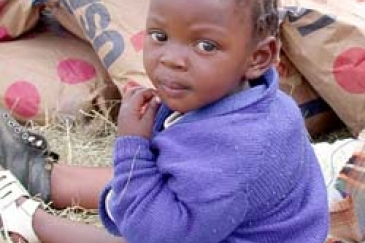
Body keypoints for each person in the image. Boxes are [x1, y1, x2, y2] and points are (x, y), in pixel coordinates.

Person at [0, 0, 329, 242]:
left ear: (257, 57)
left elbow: (153, 235)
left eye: (205, 45)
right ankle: (44, 179)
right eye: (159, 36)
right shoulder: (259, 103)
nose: (171, 59)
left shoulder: (236, 148)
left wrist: (133, 146)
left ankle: (30, 222)